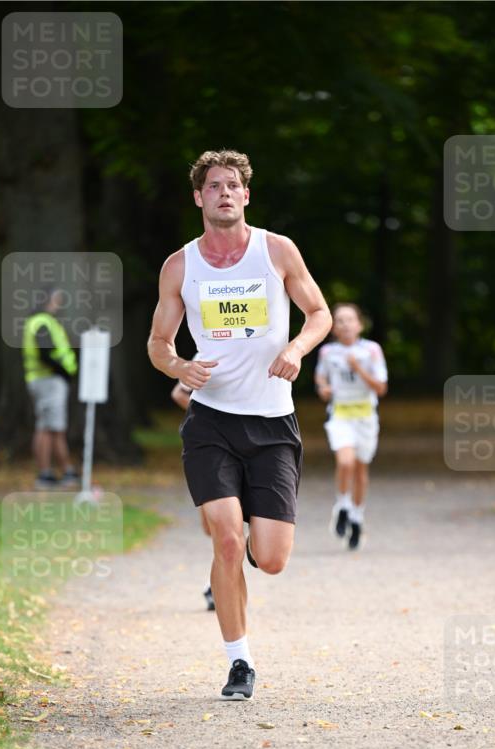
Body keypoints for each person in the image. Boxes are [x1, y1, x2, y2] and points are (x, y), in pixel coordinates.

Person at [148, 149, 331, 700]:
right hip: (212, 423)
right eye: (213, 185)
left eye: (232, 185)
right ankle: (239, 663)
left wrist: (296, 349)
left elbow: (319, 313)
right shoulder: (180, 266)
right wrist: (179, 367)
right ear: (198, 197)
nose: (224, 192)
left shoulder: (277, 251)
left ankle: (254, 542)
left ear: (246, 195)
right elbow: (158, 343)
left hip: (272, 422)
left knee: (269, 559)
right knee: (226, 540)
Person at [314, 303, 388, 550]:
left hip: (365, 417)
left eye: (350, 319)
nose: (345, 324)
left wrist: (358, 368)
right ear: (333, 327)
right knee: (345, 462)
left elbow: (381, 387)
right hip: (340, 415)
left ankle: (357, 517)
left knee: (360, 469)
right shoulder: (328, 352)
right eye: (340, 320)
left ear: (359, 324)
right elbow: (320, 376)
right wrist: (323, 388)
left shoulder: (372, 350)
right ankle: (343, 506)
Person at [22, 288, 79, 490]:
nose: (58, 304)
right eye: (56, 299)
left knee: (48, 426)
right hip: (49, 380)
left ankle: (55, 471)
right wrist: (63, 371)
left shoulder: (36, 321)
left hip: (42, 379)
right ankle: (54, 472)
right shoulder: (43, 322)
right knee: (51, 428)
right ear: (46, 300)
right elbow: (45, 353)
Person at [171, 379, 215, 611]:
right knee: (212, 527)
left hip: (254, 443)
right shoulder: (207, 358)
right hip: (210, 446)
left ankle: (216, 586)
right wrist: (210, 415)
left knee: (230, 528)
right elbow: (179, 393)